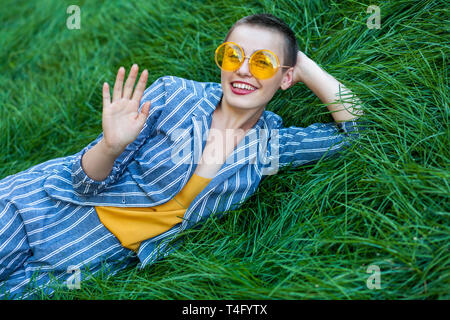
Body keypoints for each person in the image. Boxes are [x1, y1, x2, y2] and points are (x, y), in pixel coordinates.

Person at [0, 13, 365, 299]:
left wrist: (305, 66)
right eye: (234, 55)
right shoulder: (174, 96)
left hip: (87, 257)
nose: (243, 69)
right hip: (38, 207)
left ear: (286, 78)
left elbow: (359, 132)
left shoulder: (269, 145)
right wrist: (110, 146)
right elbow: (83, 183)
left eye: (263, 62)